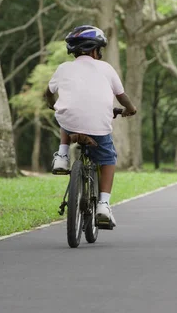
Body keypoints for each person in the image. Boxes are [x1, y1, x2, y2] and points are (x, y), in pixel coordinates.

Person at [44, 25, 137, 228]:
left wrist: (52, 104)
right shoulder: (107, 68)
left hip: (68, 123)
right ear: (96, 50)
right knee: (108, 158)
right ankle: (103, 205)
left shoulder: (63, 68)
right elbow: (122, 97)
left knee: (64, 114)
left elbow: (49, 93)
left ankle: (62, 155)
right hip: (99, 127)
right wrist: (131, 109)